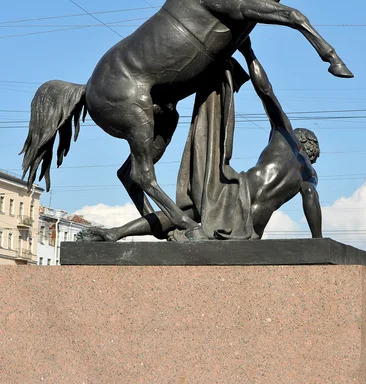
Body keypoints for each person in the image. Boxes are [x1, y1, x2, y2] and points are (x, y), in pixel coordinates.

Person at [78, 38, 322, 242]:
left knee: (191, 209)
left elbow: (266, 92)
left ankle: (116, 233)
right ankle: (116, 233)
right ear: (313, 152)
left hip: (239, 192)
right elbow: (310, 196)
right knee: (191, 213)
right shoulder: (309, 176)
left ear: (303, 138)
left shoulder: (286, 137)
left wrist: (248, 52)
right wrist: (317, 241)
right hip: (255, 224)